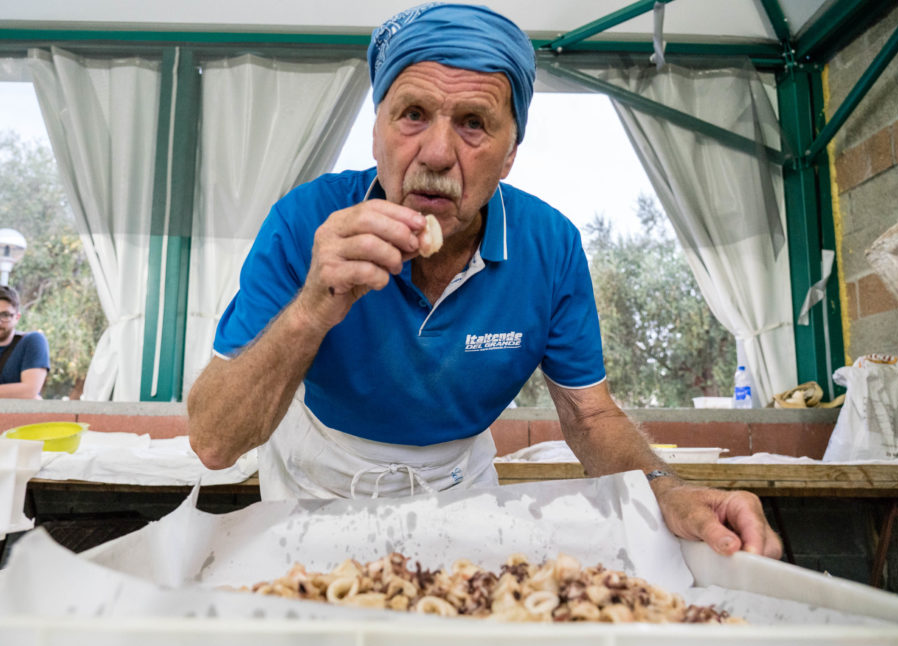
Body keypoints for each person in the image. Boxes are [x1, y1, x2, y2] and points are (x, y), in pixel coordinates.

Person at [188, 3, 782, 559]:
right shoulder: (305, 223)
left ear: (510, 154)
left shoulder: (548, 245)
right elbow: (214, 442)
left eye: (474, 123)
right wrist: (312, 308)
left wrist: (666, 488)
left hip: (460, 494)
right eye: (412, 115)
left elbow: (591, 417)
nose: (438, 153)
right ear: (377, 133)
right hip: (312, 490)